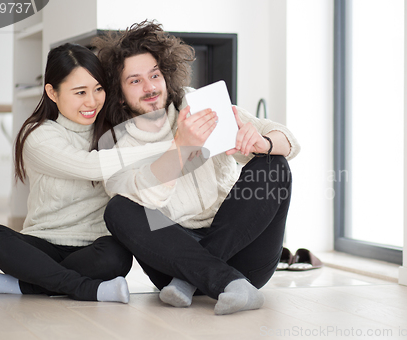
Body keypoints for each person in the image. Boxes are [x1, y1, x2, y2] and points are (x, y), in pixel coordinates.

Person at [93, 20, 300, 315]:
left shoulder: (198, 102)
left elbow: (288, 139)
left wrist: (261, 142)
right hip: (173, 259)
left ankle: (199, 280)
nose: (150, 87)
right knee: (119, 210)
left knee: (274, 164)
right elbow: (142, 198)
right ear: (118, 90)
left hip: (238, 256)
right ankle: (226, 282)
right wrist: (181, 147)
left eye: (154, 75)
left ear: (166, 74)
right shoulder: (113, 142)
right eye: (135, 80)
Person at [0, 43, 144, 303]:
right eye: (80, 92)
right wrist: (173, 147)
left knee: (117, 256)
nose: (92, 101)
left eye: (98, 89)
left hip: (93, 246)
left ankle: (26, 285)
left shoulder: (113, 130)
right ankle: (86, 288)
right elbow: (91, 165)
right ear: (52, 92)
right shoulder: (39, 135)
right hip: (42, 245)